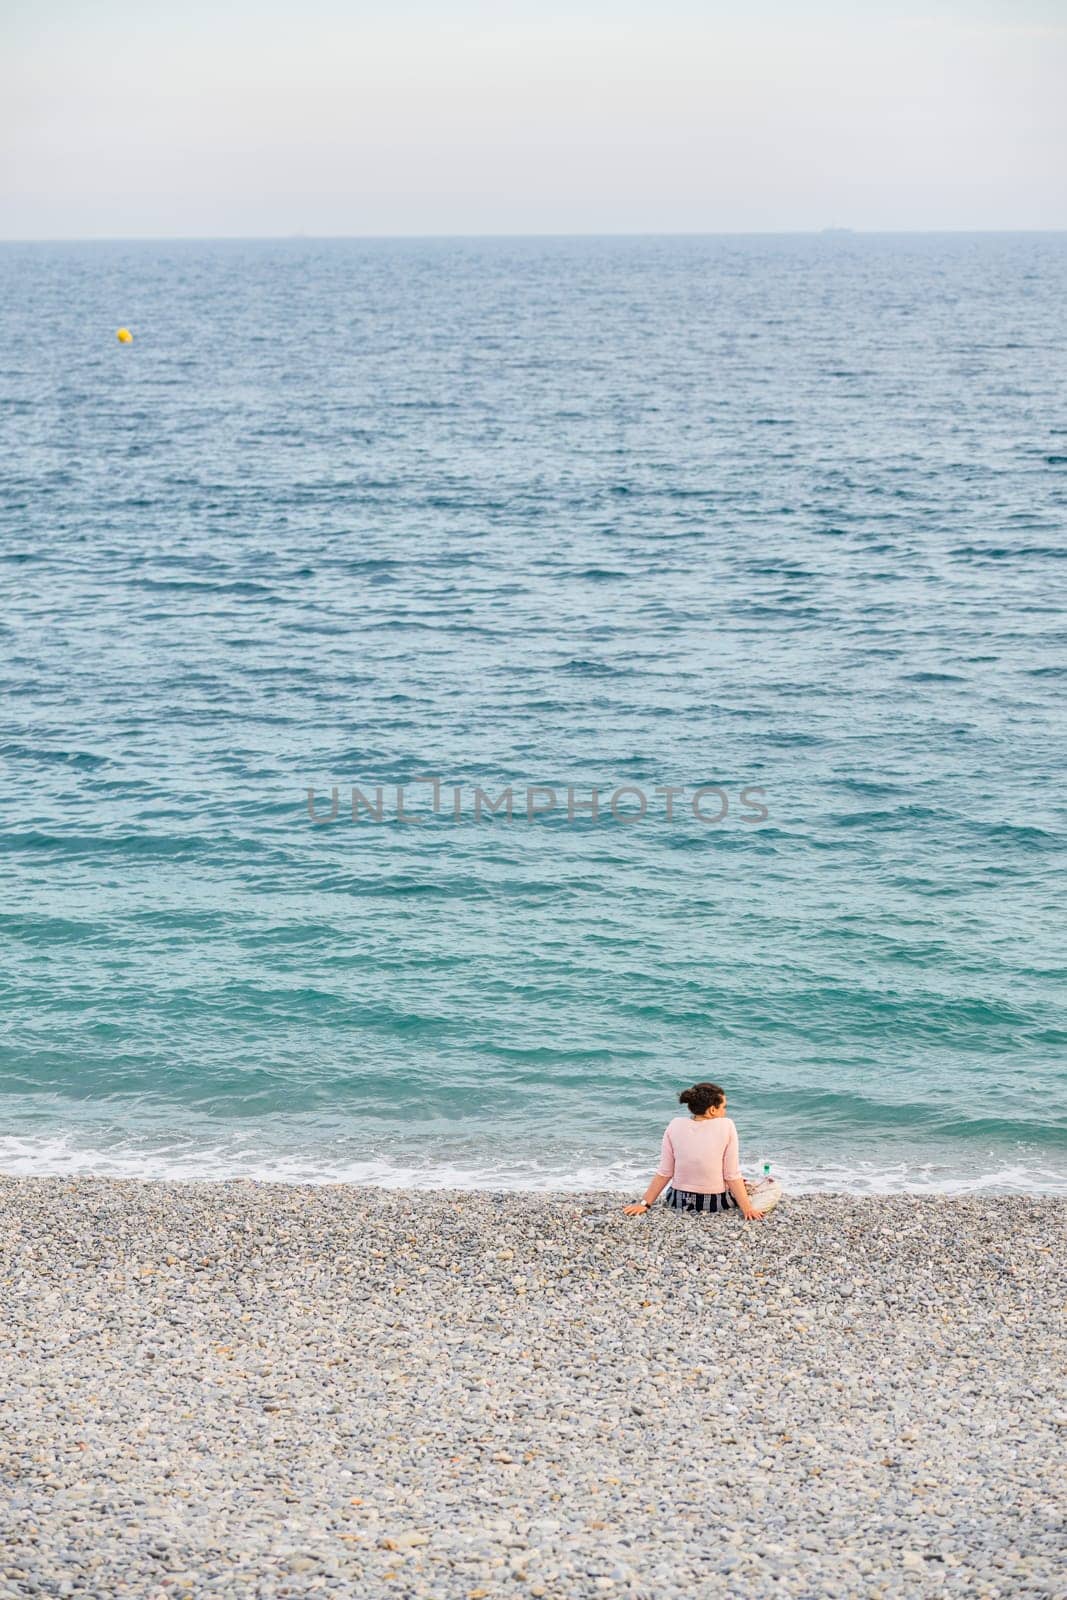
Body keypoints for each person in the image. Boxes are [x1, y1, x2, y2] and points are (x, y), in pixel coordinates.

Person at [623, 1081, 763, 1219]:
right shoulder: (727, 1126)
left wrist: (644, 1204)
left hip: (677, 1200)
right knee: (754, 1185)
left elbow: (665, 1172)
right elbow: (731, 1175)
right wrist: (748, 1209)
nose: (725, 1111)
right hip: (716, 1203)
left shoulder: (674, 1124)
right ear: (712, 1110)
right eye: (723, 1107)